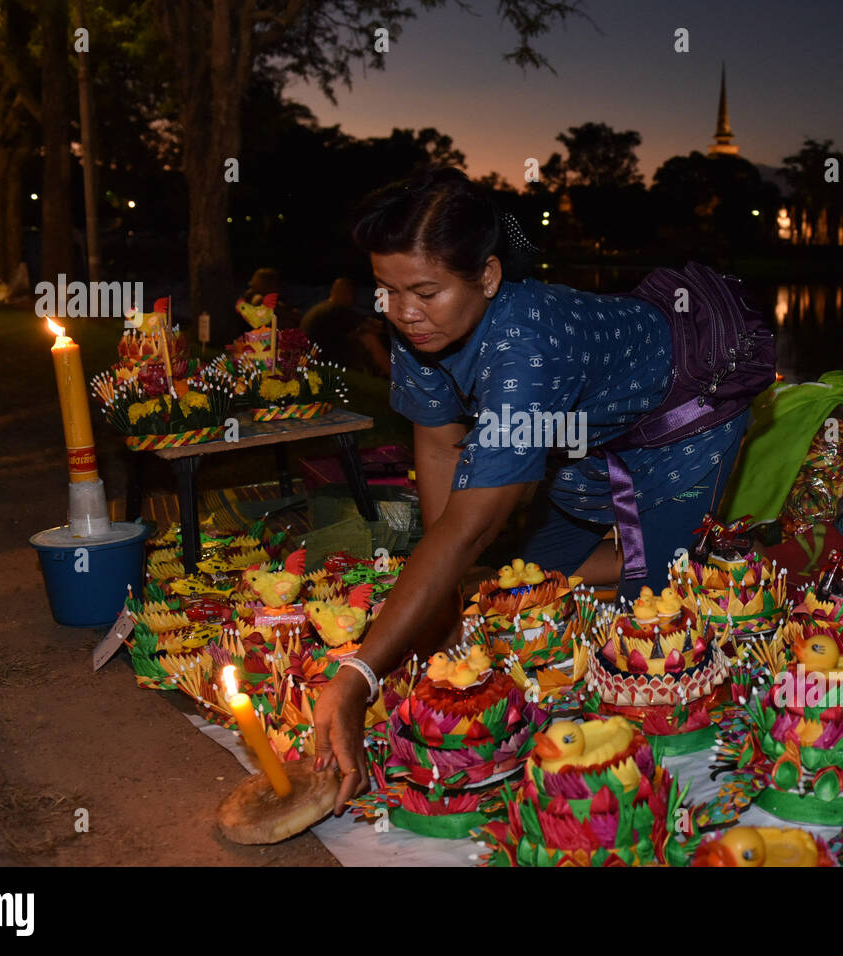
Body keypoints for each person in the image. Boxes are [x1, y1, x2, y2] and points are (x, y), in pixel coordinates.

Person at [310, 166, 773, 811]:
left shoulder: (529, 340)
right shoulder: (413, 321)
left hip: (681, 418)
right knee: (520, 591)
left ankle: (693, 567)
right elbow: (442, 447)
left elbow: (468, 524)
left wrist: (358, 675)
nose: (405, 313)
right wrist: (440, 607)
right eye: (386, 291)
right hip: (583, 431)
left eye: (425, 291)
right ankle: (654, 553)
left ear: (490, 277)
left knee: (642, 649)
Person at [300, 277, 391, 375]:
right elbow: (370, 327)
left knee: (359, 336)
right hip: (322, 361)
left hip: (310, 358)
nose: (353, 299)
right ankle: (392, 374)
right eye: (352, 294)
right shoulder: (336, 310)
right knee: (369, 338)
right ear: (345, 293)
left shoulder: (322, 308)